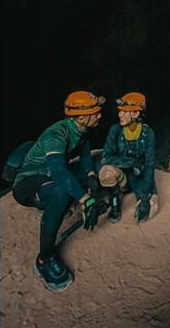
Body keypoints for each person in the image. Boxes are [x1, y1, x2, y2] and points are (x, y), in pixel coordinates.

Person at [12, 91, 106, 292]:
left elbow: (85, 154)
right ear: (81, 117)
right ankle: (45, 258)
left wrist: (90, 175)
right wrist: (86, 199)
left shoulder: (82, 130)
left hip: (50, 176)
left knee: (95, 169)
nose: (100, 116)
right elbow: (59, 171)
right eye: (96, 112)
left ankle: (57, 205)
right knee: (60, 193)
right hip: (30, 180)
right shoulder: (57, 134)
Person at [98, 92, 159, 224]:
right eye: (120, 111)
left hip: (140, 176)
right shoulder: (116, 130)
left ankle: (144, 197)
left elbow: (149, 164)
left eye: (125, 111)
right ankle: (116, 201)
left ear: (136, 114)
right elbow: (106, 158)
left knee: (148, 212)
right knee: (105, 172)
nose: (120, 114)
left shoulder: (148, 133)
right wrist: (131, 162)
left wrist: (145, 197)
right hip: (123, 177)